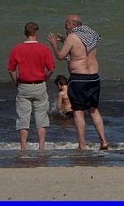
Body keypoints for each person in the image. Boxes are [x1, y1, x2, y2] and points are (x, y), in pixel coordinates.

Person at [47, 14, 109, 150]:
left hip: (79, 79)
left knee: (78, 112)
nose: (65, 27)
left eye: (67, 24)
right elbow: (80, 50)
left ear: (74, 24)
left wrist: (54, 44)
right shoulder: (91, 35)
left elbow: (61, 56)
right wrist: (65, 40)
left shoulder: (72, 37)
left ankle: (82, 145)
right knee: (93, 110)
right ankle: (104, 141)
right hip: (94, 77)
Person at [7, 21, 56, 151]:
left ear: (25, 33)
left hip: (23, 85)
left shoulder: (17, 49)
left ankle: (23, 146)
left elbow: (11, 69)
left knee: (23, 118)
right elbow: (51, 68)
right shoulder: (44, 49)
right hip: (39, 84)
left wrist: (15, 81)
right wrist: (45, 78)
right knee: (41, 118)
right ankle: (41, 146)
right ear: (36, 33)